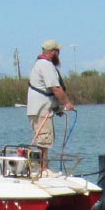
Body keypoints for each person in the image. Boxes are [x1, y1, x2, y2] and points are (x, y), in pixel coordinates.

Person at [25, 39, 74, 173]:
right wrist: (67, 103)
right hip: (41, 110)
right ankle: (43, 169)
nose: (59, 54)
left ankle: (42, 167)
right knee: (44, 139)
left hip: (40, 109)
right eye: (58, 52)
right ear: (53, 52)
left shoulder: (40, 64)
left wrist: (57, 108)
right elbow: (55, 88)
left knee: (44, 139)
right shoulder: (46, 65)